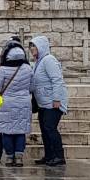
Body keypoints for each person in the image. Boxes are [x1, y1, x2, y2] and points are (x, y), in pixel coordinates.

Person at [29, 35, 68, 167]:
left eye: (34, 46)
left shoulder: (49, 60)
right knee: (45, 130)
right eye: (31, 46)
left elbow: (57, 80)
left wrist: (56, 99)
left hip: (52, 103)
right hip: (43, 103)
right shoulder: (38, 62)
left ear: (41, 47)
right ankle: (49, 155)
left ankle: (59, 156)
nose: (32, 49)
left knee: (50, 128)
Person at [0, 43, 33, 167]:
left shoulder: (3, 69)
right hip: (24, 103)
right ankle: (19, 158)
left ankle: (9, 157)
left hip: (7, 103)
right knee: (20, 131)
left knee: (7, 131)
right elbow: (32, 87)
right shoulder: (28, 68)